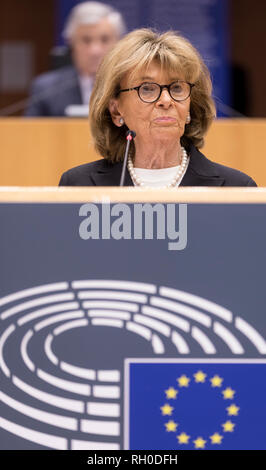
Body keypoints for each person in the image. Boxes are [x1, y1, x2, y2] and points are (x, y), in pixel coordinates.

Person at [59, 28, 257, 187]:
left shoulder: (236, 188)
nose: (166, 100)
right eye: (147, 89)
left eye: (177, 87)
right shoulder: (79, 186)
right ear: (116, 110)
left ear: (190, 106)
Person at [24, 2, 126, 117]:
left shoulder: (130, 85)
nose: (95, 51)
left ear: (118, 43)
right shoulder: (45, 89)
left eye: (104, 40)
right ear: (71, 43)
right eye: (86, 40)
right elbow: (29, 133)